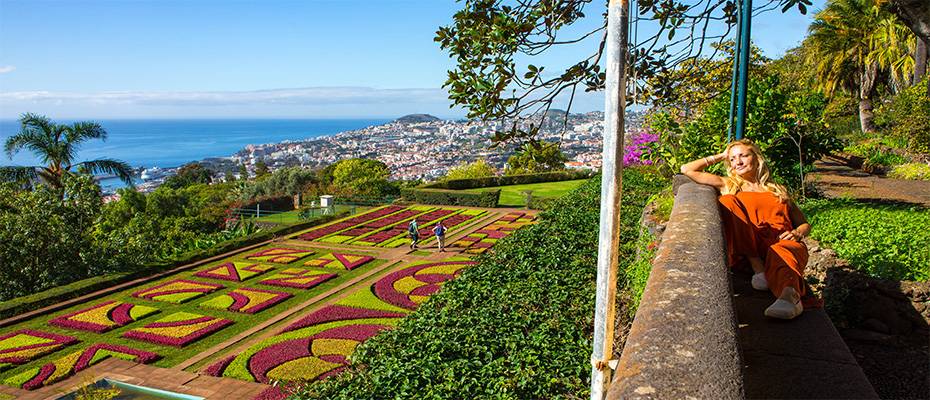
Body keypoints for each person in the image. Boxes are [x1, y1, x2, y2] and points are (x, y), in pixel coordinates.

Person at [680, 138, 811, 320]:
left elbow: (804, 224)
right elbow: (687, 169)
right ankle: (758, 267)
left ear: (756, 158)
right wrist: (721, 155)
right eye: (732, 159)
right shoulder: (729, 185)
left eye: (743, 156)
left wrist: (797, 233)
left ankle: (790, 298)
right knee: (727, 201)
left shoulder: (777, 190)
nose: (738, 162)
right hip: (749, 247)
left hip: (782, 242)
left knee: (780, 250)